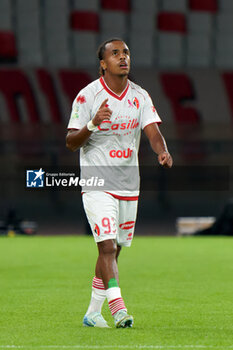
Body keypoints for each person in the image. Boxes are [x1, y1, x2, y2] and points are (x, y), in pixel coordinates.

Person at [66, 38, 173, 328]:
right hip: (97, 182)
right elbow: (70, 142)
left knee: (116, 249)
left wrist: (161, 150)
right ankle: (118, 309)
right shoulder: (87, 97)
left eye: (126, 52)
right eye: (115, 54)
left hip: (128, 184)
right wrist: (92, 124)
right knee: (108, 248)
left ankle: (92, 312)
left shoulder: (139, 96)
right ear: (103, 63)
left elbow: (152, 131)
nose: (123, 57)